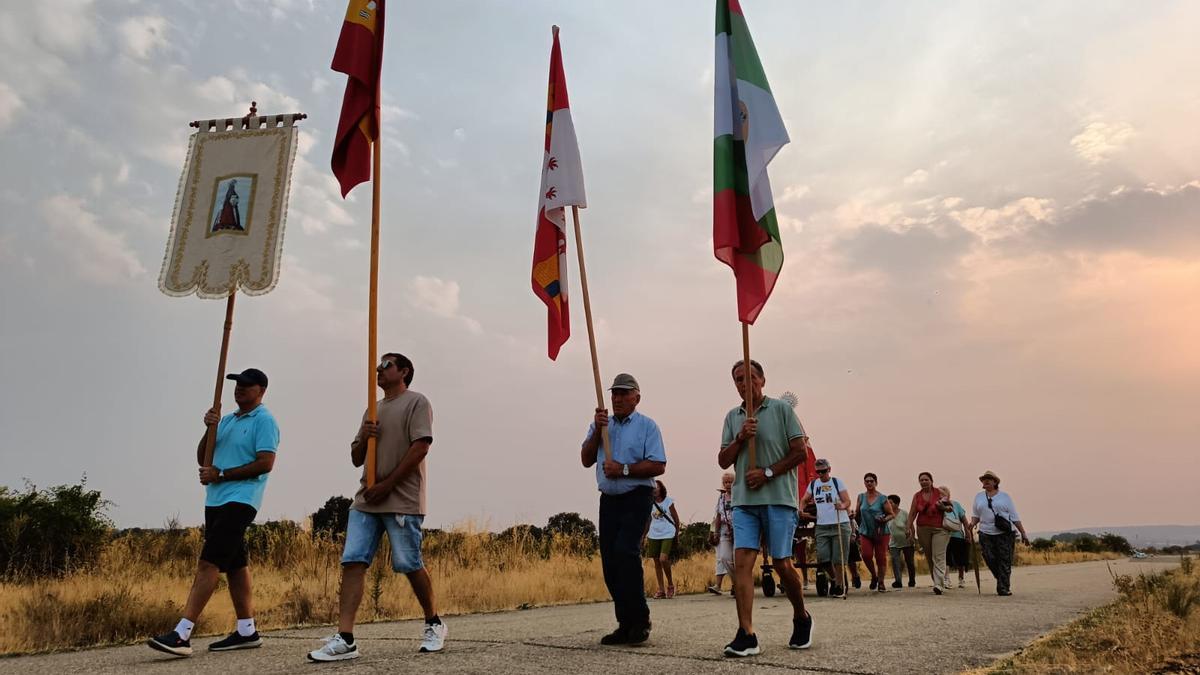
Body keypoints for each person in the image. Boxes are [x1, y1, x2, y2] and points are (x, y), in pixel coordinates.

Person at [308, 353, 445, 662]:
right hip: (366, 500)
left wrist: (388, 484)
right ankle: (345, 638)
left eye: (386, 365)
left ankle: (434, 622)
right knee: (353, 560)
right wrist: (365, 438)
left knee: (409, 562)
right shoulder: (373, 408)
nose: (379, 370)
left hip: (401, 498)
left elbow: (420, 447)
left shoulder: (417, 402)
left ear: (404, 371)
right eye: (377, 366)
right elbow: (356, 457)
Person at [148, 368, 279, 657]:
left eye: (247, 384)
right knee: (235, 565)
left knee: (209, 562)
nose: (239, 388)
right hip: (216, 500)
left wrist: (222, 474)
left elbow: (266, 463)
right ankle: (247, 631)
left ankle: (182, 634)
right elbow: (203, 458)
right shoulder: (227, 420)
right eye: (237, 383)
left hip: (241, 499)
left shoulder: (265, 420)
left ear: (261, 390)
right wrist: (210, 427)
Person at [719, 359, 813, 657]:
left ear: (762, 380)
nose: (743, 383)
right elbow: (723, 460)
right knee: (742, 563)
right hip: (744, 502)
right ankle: (746, 634)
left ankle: (801, 616)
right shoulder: (733, 417)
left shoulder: (782, 410)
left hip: (778, 499)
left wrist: (768, 473)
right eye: (738, 379)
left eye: (749, 377)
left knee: (782, 563)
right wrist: (740, 438)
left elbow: (800, 452)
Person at [581, 373, 666, 645]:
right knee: (610, 561)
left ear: (636, 398)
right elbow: (586, 459)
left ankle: (640, 619)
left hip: (637, 496)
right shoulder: (601, 425)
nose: (617, 398)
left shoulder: (647, 426)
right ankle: (625, 622)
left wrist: (623, 469)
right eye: (614, 393)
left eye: (623, 393)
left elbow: (658, 464)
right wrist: (597, 430)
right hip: (609, 499)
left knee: (625, 551)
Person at [970, 470, 1030, 596]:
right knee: (989, 557)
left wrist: (1023, 533)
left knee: (1004, 560)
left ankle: (1003, 587)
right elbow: (976, 515)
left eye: (989, 479)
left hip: (1004, 533)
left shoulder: (1005, 497)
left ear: (995, 482)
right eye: (984, 479)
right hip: (985, 532)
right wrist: (972, 524)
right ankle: (1002, 578)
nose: (986, 481)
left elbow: (1014, 516)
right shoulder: (979, 497)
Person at [800, 458, 852, 599]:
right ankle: (834, 578)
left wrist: (842, 506)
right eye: (818, 472)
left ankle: (840, 586)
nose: (821, 474)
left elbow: (847, 500)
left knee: (838, 558)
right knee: (823, 557)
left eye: (823, 471)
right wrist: (801, 509)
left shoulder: (836, 482)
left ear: (829, 470)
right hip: (822, 525)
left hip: (839, 523)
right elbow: (804, 499)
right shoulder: (813, 484)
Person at [906, 471, 951, 595]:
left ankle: (939, 584)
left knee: (938, 556)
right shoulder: (917, 496)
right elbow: (912, 513)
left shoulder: (940, 493)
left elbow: (950, 508)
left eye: (926, 479)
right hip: (923, 529)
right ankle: (936, 581)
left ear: (931, 481)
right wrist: (908, 527)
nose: (924, 482)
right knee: (930, 556)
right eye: (921, 480)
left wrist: (943, 507)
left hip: (940, 528)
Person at [852, 473, 895, 592]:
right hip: (865, 531)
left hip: (881, 532)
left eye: (871, 481)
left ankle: (881, 582)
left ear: (876, 482)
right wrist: (853, 517)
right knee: (866, 555)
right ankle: (874, 575)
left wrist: (884, 519)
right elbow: (857, 513)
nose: (869, 483)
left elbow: (891, 514)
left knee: (881, 557)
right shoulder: (861, 497)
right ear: (864, 483)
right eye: (867, 481)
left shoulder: (882, 498)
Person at [644, 479, 681, 599]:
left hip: (668, 532)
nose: (655, 490)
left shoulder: (668, 501)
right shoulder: (649, 503)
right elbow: (648, 521)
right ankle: (661, 589)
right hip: (654, 533)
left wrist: (676, 534)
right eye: (653, 488)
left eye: (657, 487)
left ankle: (670, 584)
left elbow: (676, 519)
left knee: (663, 559)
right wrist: (643, 536)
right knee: (656, 561)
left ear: (661, 489)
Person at [708, 472, 735, 595]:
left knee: (738, 559)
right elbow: (718, 515)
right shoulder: (721, 498)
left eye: (730, 482)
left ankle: (738, 585)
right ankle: (737, 582)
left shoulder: (740, 495)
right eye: (725, 482)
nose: (728, 484)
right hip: (724, 530)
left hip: (738, 529)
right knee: (724, 557)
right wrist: (716, 532)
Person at [939, 486, 971, 589]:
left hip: (957, 535)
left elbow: (964, 520)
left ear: (948, 495)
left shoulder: (956, 504)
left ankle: (961, 578)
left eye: (943, 494)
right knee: (946, 558)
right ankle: (946, 579)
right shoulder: (937, 505)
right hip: (943, 534)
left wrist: (968, 533)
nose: (941, 496)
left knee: (960, 559)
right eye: (939, 494)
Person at [887, 494, 916, 588]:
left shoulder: (904, 513)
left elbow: (911, 526)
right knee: (895, 562)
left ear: (897, 504)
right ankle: (898, 581)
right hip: (893, 543)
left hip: (906, 541)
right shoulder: (887, 515)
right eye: (888, 503)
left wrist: (912, 537)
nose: (889, 504)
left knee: (909, 562)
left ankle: (912, 580)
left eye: (891, 503)